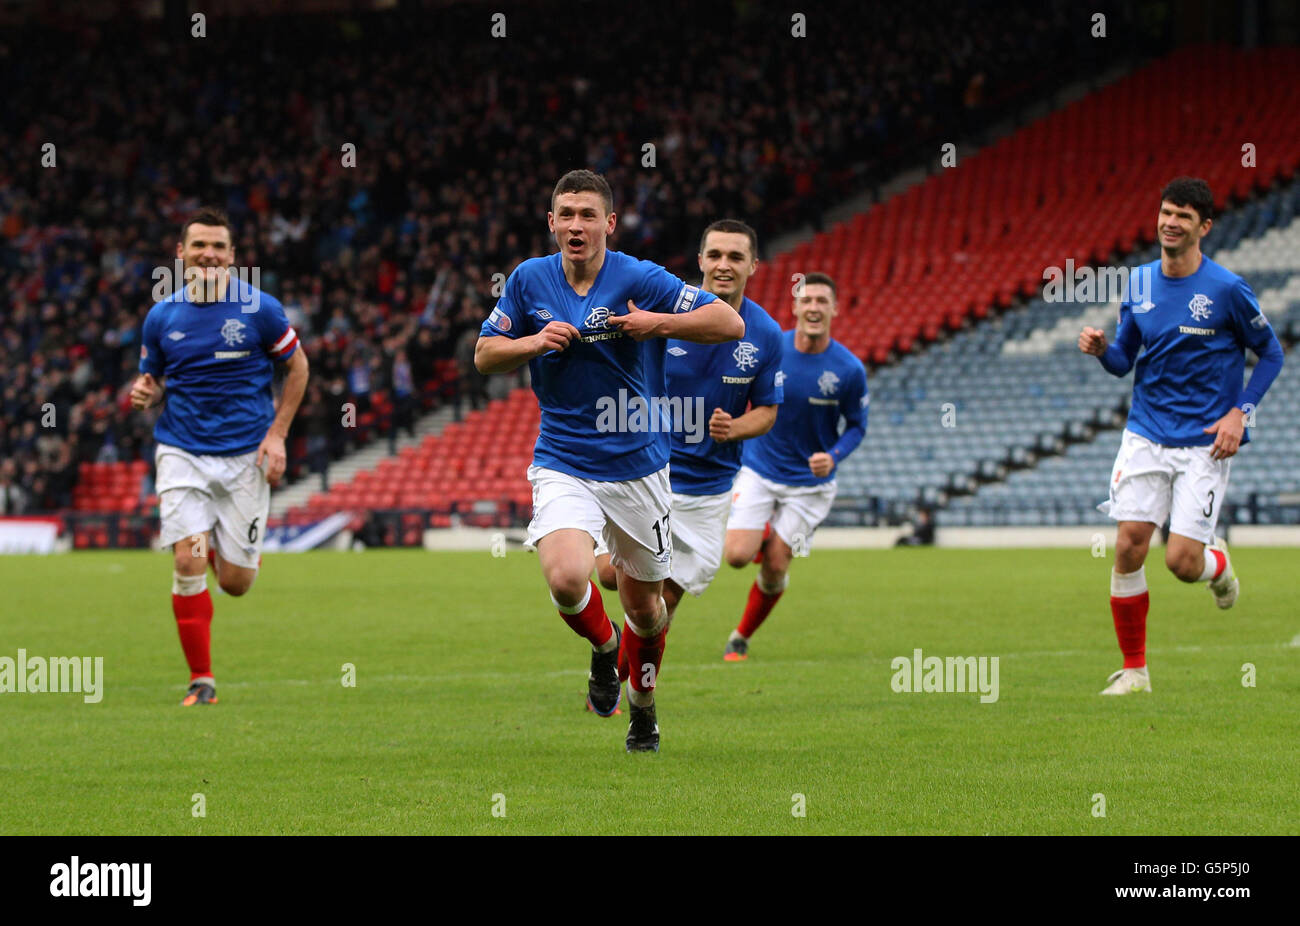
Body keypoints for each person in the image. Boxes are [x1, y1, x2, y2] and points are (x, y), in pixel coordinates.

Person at [474, 170, 744, 751]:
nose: (576, 224)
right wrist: (531, 342)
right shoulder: (526, 281)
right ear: (551, 222)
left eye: (588, 214)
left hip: (639, 467)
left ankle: (643, 709)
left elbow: (729, 321)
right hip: (563, 457)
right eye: (566, 214)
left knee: (648, 614)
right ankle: (603, 650)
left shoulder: (639, 277)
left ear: (609, 224)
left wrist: (657, 323)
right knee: (568, 578)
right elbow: (484, 355)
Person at [1079, 177, 1284, 695]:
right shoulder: (1140, 284)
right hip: (1146, 432)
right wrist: (1104, 349)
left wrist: (1242, 413)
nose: (1170, 222)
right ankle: (1135, 671)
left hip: (1204, 441)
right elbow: (1125, 360)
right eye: (1166, 211)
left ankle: (1218, 565)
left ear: (1204, 227)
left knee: (1181, 563)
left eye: (1183, 216)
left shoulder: (1228, 289)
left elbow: (1272, 354)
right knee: (1128, 546)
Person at [130, 207, 309, 706]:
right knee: (187, 563)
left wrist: (277, 435)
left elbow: (298, 370)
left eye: (218, 247)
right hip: (181, 451)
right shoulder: (161, 316)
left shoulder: (260, 309)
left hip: (245, 456)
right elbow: (155, 378)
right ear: (181, 254)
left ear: (232, 257)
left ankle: (214, 546)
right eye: (199, 245)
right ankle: (201, 680)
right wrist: (145, 391)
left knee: (235, 583)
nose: (208, 254)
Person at [590, 219, 784, 674]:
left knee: (662, 603)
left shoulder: (767, 334)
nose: (723, 265)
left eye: (736, 257)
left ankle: (621, 686)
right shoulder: (664, 316)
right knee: (607, 576)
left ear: (753, 265)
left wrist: (734, 429)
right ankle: (612, 652)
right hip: (645, 472)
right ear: (700, 260)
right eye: (714, 255)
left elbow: (769, 411)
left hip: (706, 491)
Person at [720, 272, 868, 660]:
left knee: (775, 567)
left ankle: (740, 636)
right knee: (735, 556)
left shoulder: (848, 370)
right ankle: (765, 530)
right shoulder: (771, 347)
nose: (814, 308)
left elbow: (857, 426)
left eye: (822, 301)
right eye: (807, 300)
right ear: (795, 307)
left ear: (834, 309)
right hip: (760, 468)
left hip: (810, 484)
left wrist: (833, 456)